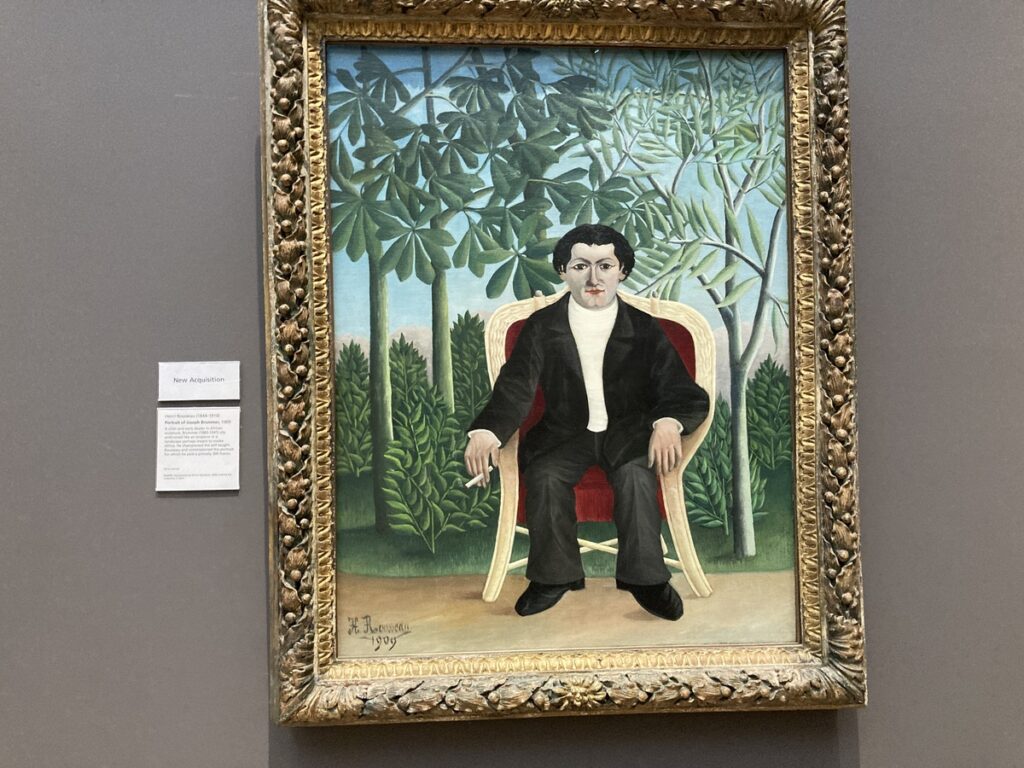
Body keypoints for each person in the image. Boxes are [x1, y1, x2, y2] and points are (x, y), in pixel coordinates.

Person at [464, 224, 710, 620]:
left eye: (605, 266)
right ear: (563, 271)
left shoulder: (644, 328)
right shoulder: (543, 326)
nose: (594, 278)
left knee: (635, 477)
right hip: (563, 436)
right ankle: (551, 578)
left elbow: (682, 391)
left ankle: (647, 581)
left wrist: (668, 422)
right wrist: (487, 432)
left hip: (628, 436)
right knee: (545, 476)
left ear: (622, 271)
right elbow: (515, 388)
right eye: (581, 266)